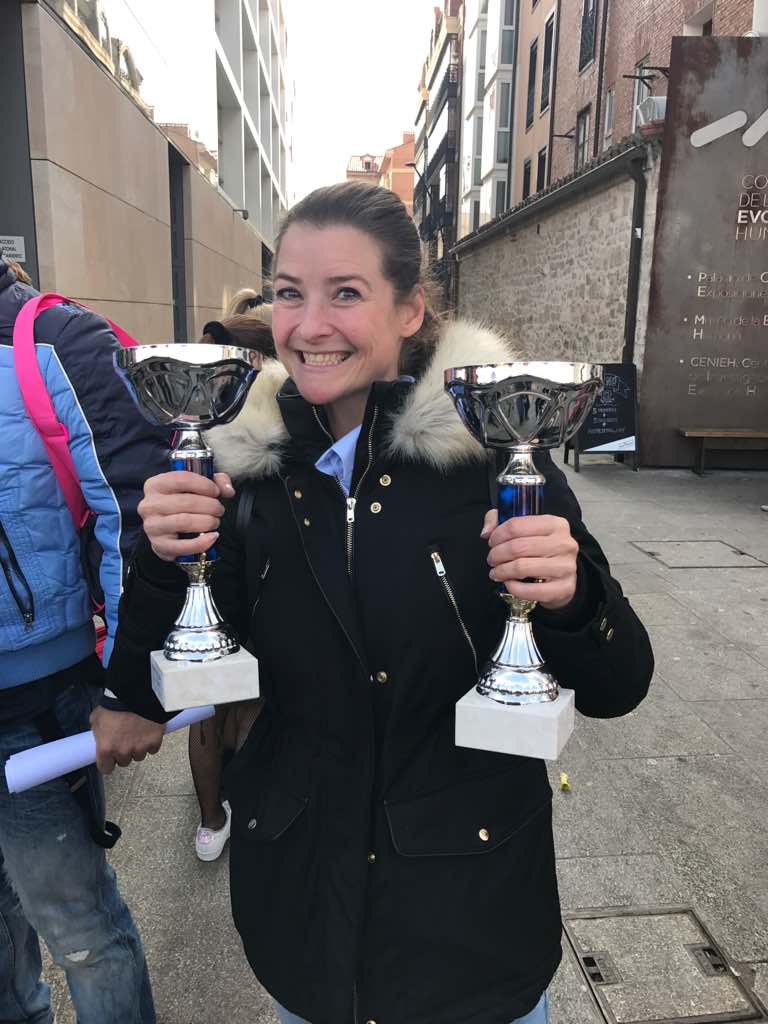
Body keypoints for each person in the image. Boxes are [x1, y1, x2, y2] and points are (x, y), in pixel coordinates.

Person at [100, 182, 654, 1024]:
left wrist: (573, 598)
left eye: (346, 293)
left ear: (409, 310)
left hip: (473, 927)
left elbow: (620, 683)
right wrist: (164, 555)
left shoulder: (496, 458)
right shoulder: (248, 464)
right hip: (304, 919)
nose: (309, 325)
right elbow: (184, 667)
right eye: (290, 293)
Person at [0, 254, 167, 1024]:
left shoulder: (57, 341)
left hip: (34, 704)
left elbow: (137, 516)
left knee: (81, 933)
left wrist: (129, 688)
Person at [188, 309, 277, 861]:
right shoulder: (282, 414)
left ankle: (211, 821)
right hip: (253, 570)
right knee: (246, 702)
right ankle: (237, 812)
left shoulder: (203, 414)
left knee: (211, 706)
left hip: (213, 570)